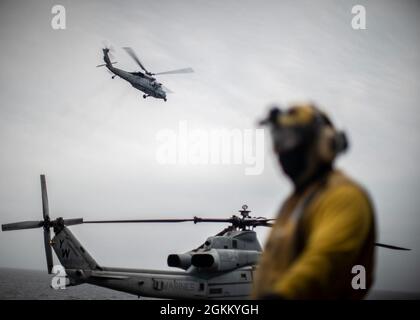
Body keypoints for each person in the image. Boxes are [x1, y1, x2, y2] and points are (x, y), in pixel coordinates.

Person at [252, 103, 376, 299]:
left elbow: (325, 259)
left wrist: (283, 296)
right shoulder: (293, 203)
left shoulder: (344, 196)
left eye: (288, 140)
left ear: (322, 143)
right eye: (277, 141)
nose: (280, 151)